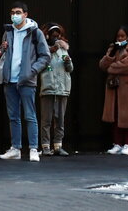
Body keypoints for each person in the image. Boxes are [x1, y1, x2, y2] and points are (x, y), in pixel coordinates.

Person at [0, 2, 50, 162]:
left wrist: (32, 71)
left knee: (30, 115)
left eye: (18, 12)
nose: (15, 15)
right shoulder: (8, 32)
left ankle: (34, 148)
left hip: (26, 80)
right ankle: (16, 148)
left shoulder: (36, 33)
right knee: (13, 116)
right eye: (13, 12)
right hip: (10, 79)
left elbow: (45, 56)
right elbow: (5, 53)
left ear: (25, 14)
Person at [99, 26, 128, 156]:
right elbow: (102, 65)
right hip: (115, 87)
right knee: (115, 115)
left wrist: (112, 68)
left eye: (123, 36)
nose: (120, 38)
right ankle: (117, 144)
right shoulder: (114, 49)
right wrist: (110, 55)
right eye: (118, 36)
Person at [38, 23, 73, 157]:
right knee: (46, 119)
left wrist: (68, 61)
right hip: (48, 88)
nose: (56, 38)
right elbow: (39, 66)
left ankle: (58, 145)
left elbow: (70, 69)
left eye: (58, 36)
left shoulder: (64, 50)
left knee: (60, 119)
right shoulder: (43, 50)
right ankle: (45, 146)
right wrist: (49, 52)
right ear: (47, 36)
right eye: (53, 35)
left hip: (62, 88)